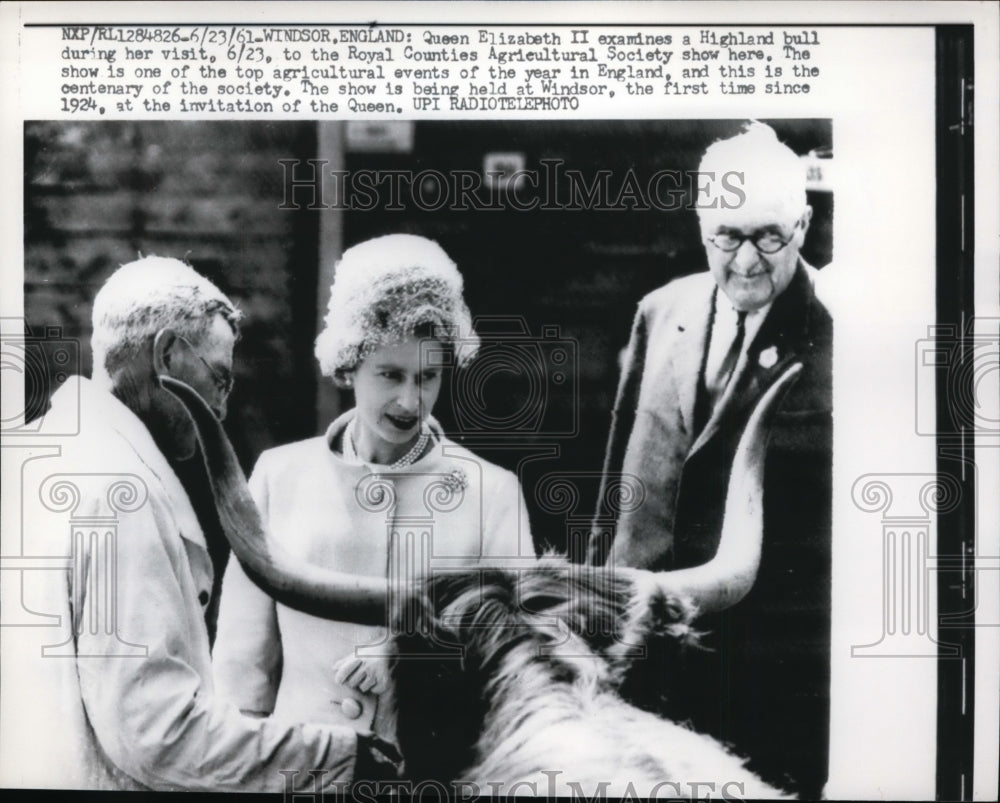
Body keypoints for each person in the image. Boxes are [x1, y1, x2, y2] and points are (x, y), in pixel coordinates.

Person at [0, 256, 386, 791]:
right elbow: (156, 736)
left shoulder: (34, 455)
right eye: (220, 380)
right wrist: (340, 757)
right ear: (167, 355)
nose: (222, 410)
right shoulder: (122, 493)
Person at [588, 122, 833, 797]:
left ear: (804, 225)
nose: (747, 260)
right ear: (702, 228)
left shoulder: (837, 333)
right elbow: (619, 482)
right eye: (728, 235)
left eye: (769, 235)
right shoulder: (661, 311)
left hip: (764, 679)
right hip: (640, 659)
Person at [212, 234, 535, 736]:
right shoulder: (279, 477)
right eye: (390, 374)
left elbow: (517, 657)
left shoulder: (491, 494)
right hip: (302, 771)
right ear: (349, 364)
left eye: (427, 376)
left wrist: (415, 658)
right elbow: (241, 672)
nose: (410, 400)